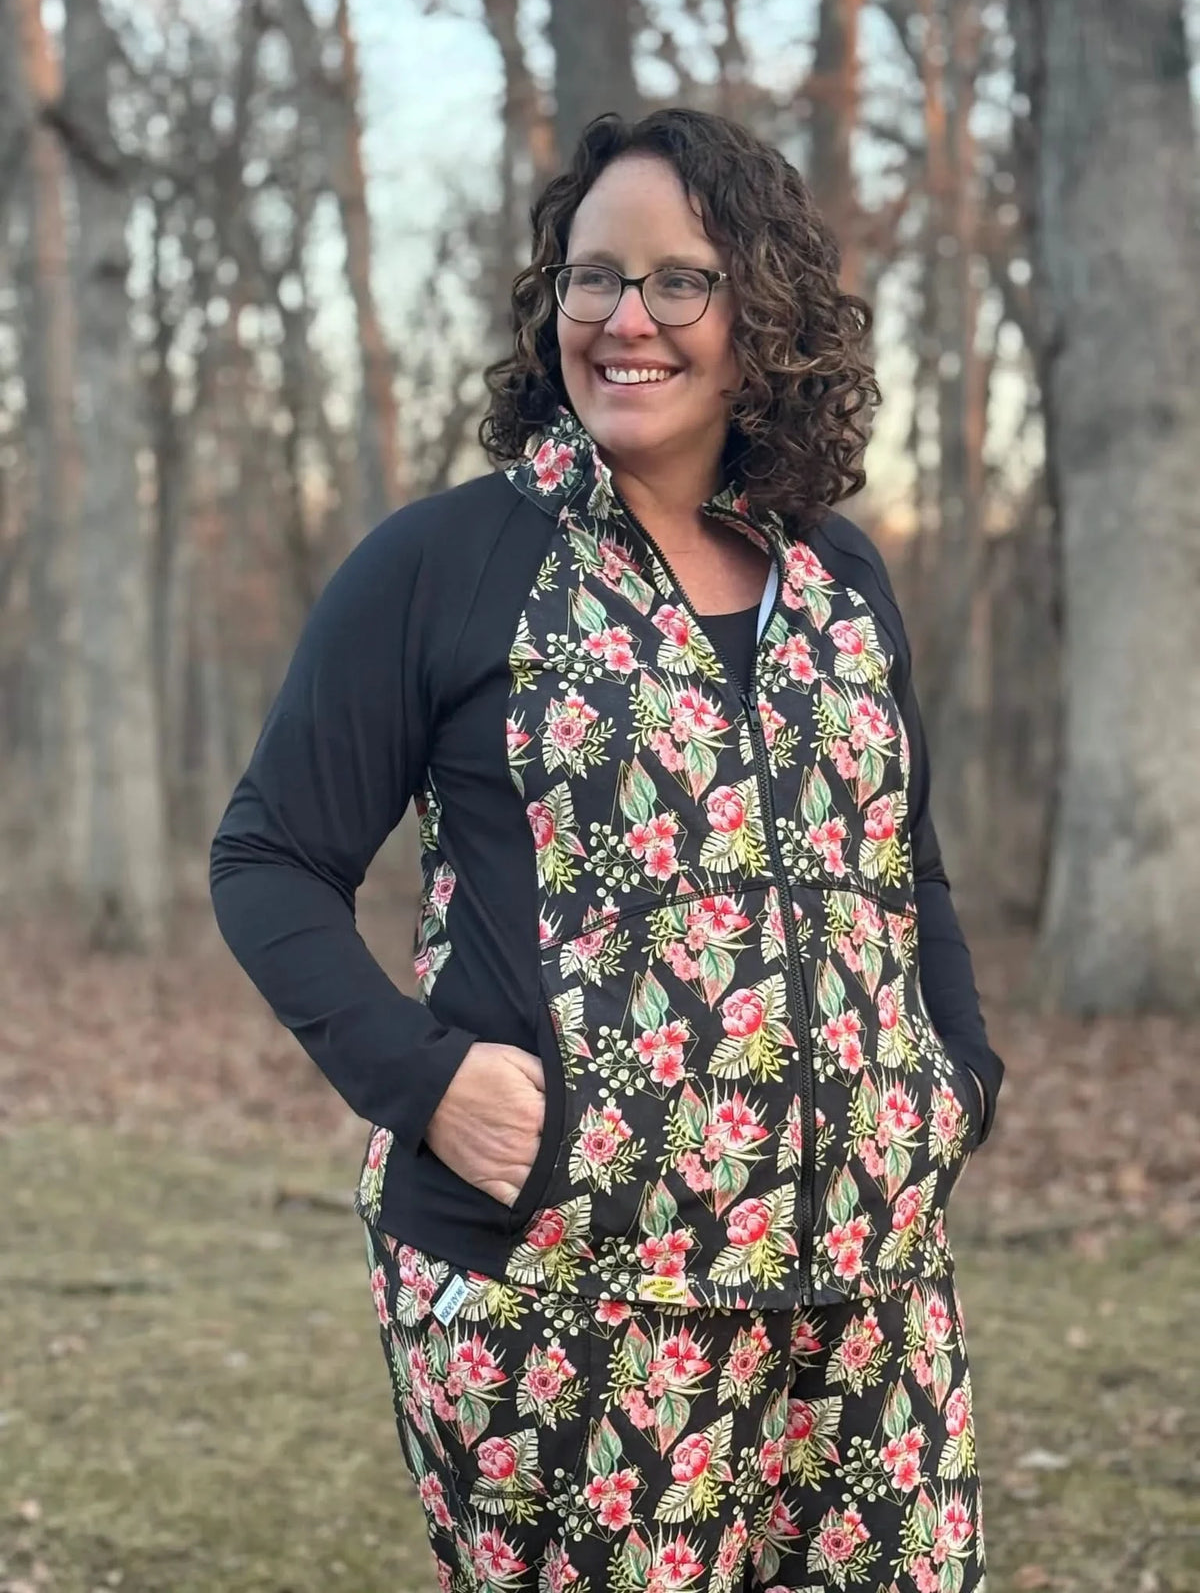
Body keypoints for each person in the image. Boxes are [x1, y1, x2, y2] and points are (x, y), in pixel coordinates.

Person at [211, 107, 1002, 1593]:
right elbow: (266, 859)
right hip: (570, 1314)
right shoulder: (448, 564)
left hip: (869, 1309)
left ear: (759, 315)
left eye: (676, 281)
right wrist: (422, 1078)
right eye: (592, 279)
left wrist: (954, 1082)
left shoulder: (838, 573)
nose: (624, 319)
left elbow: (909, 870)